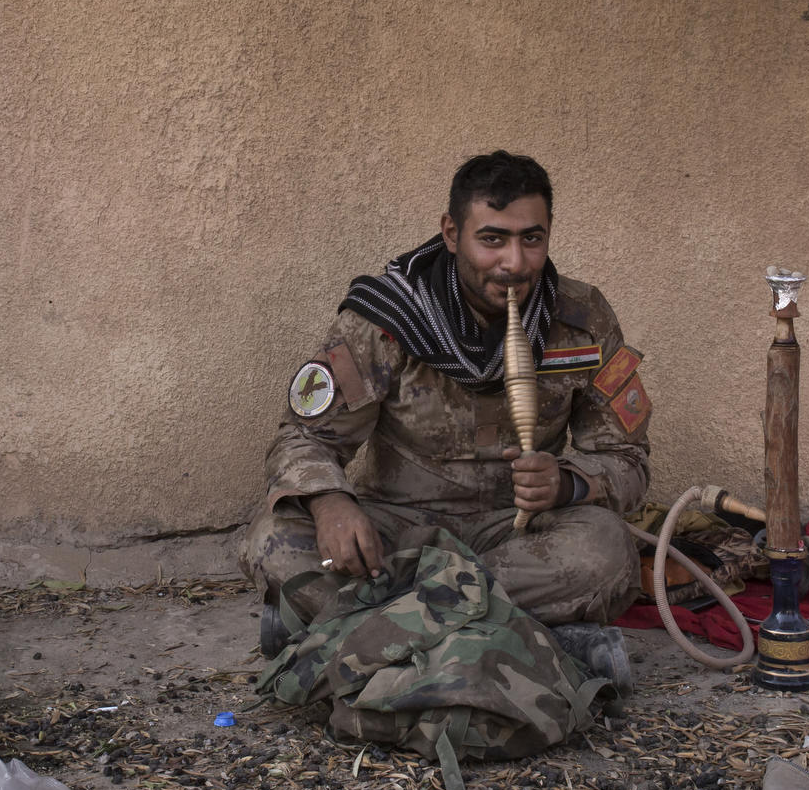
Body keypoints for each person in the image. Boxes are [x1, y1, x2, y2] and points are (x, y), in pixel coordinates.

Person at [240, 151, 651, 692]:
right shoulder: (387, 318)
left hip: (520, 538)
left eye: (532, 239)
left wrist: (569, 483)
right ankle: (552, 645)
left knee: (606, 551)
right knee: (274, 540)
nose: (514, 264)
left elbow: (628, 461)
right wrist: (329, 502)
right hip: (398, 537)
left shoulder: (581, 317)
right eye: (492, 239)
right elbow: (302, 436)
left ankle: (359, 637)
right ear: (452, 233)